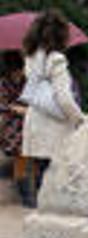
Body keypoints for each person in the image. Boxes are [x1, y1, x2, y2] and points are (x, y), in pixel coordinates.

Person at [20, 9, 84, 208]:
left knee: (41, 179)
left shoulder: (30, 57)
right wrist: (80, 120)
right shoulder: (56, 59)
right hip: (54, 128)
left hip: (35, 124)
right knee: (58, 182)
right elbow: (64, 98)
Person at [0, 51, 29, 205]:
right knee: (19, 144)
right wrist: (14, 108)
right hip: (11, 122)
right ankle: (26, 194)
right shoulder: (3, 83)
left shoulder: (27, 82)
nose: (20, 73)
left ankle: (29, 186)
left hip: (29, 121)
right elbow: (2, 104)